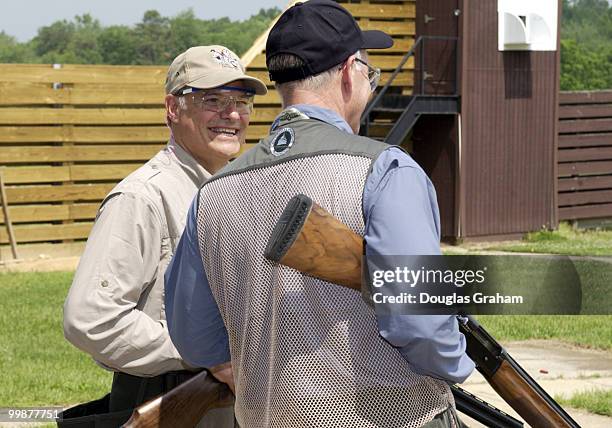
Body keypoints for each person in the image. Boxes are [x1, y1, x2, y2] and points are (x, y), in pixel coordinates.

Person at [165, 1, 475, 427]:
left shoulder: (212, 194)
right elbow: (418, 321)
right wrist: (458, 363)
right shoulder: (386, 170)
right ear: (351, 72)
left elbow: (195, 339)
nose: (369, 87)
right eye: (370, 74)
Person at [61, 45, 266, 427]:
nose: (232, 114)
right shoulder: (142, 197)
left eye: (242, 101)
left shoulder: (237, 190)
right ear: (173, 108)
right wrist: (203, 352)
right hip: (169, 401)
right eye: (213, 99)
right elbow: (90, 318)